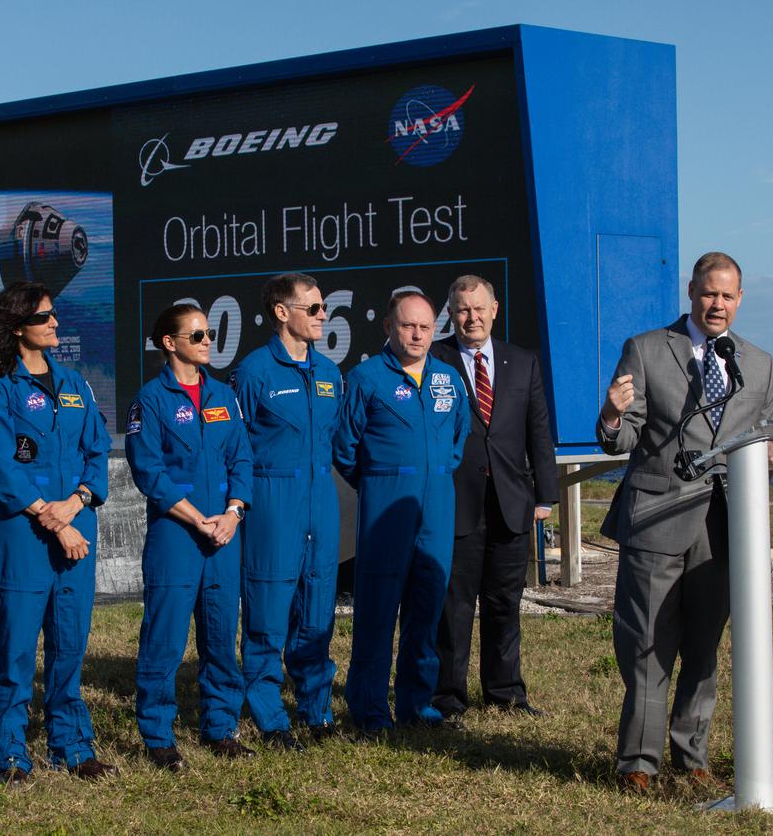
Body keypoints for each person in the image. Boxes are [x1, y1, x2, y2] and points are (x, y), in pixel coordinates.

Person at [598, 251, 773, 793]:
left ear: (740, 299)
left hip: (728, 527)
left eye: (727, 295)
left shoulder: (760, 363)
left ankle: (691, 753)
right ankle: (638, 763)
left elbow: (771, 436)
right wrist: (611, 414)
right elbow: (623, 435)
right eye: (708, 293)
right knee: (648, 644)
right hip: (658, 516)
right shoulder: (649, 350)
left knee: (704, 646)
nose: (717, 304)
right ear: (691, 293)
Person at [0, 281, 116, 784]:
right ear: (17, 328)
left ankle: (72, 743)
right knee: (15, 646)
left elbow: (98, 453)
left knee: (69, 642)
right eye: (45, 318)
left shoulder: (75, 383)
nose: (56, 324)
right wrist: (50, 518)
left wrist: (74, 505)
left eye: (55, 315)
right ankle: (9, 750)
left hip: (76, 526)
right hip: (25, 536)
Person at [333, 290, 469, 732]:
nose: (417, 334)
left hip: (437, 502)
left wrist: (434, 475)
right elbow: (345, 447)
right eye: (408, 325)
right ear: (389, 327)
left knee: (427, 604)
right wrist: (379, 481)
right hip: (385, 503)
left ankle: (416, 702)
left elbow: (459, 437)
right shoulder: (366, 378)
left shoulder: (448, 378)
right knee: (377, 608)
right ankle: (370, 708)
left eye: (426, 327)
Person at [125, 303, 254, 770]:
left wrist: (233, 514)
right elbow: (149, 473)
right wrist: (198, 519)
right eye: (197, 335)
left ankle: (221, 728)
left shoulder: (222, 395)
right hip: (178, 534)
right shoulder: (151, 400)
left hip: (223, 532)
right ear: (169, 343)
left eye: (208, 334)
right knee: (164, 638)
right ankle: (158, 735)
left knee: (221, 635)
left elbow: (242, 457)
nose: (207, 342)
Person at [431, 275, 559, 720]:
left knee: (505, 602)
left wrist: (546, 494)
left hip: (511, 501)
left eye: (479, 308)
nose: (472, 317)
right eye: (463, 309)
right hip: (456, 501)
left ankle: (506, 693)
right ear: (451, 314)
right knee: (455, 604)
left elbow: (538, 431)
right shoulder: (434, 360)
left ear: (495, 309)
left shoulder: (522, 362)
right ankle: (447, 697)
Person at [232, 273, 342, 749]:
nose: (323, 316)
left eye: (323, 308)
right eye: (314, 308)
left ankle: (317, 711)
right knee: (268, 612)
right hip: (273, 502)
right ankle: (270, 716)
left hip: (322, 501)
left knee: (318, 608)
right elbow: (234, 447)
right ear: (282, 312)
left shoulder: (330, 373)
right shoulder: (254, 372)